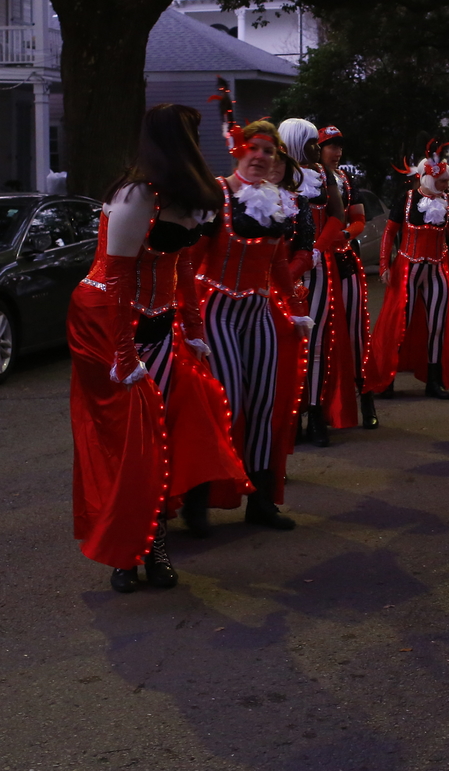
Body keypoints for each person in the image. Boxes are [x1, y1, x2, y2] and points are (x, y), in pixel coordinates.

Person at [68, 104, 251, 592]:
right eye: (191, 132)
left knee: (168, 436)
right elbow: (118, 279)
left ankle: (155, 544)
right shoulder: (135, 196)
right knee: (132, 447)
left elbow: (183, 266)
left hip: (159, 324)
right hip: (105, 327)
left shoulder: (188, 194)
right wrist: (125, 359)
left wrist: (192, 328)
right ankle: (129, 553)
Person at [182, 119, 313, 533]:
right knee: (228, 405)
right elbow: (188, 262)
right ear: (239, 150)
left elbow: (277, 264)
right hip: (216, 308)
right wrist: (188, 321)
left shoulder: (278, 200)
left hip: (258, 313)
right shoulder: (216, 195)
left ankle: (261, 502)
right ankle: (198, 500)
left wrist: (294, 308)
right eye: (253, 148)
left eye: (268, 151)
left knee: (263, 407)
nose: (260, 157)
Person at [368, 139, 449, 399]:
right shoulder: (406, 200)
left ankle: (434, 381)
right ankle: (387, 378)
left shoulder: (448, 203)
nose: (446, 186)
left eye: (447, 182)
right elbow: (389, 232)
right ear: (427, 179)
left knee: (437, 325)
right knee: (398, 323)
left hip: (437, 268)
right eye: (441, 182)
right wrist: (384, 264)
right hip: (408, 267)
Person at [278, 118, 344, 446]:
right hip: (280, 272)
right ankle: (289, 416)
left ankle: (316, 412)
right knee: (285, 344)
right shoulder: (275, 176)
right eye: (309, 142)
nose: (316, 148)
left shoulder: (323, 175)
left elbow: (338, 216)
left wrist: (318, 248)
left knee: (316, 342)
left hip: (315, 269)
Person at [318, 125, 378, 430]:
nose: (337, 152)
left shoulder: (346, 179)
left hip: (343, 262)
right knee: (319, 341)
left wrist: (342, 233)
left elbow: (359, 219)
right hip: (314, 267)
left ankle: (365, 399)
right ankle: (318, 409)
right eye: (331, 145)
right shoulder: (303, 180)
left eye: (339, 146)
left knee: (356, 335)